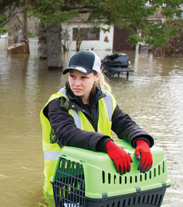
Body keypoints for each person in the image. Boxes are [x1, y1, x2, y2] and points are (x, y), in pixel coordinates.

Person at [40, 50, 154, 195]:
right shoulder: (58, 102)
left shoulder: (106, 99)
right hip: (62, 185)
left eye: (83, 77)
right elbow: (66, 133)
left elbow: (124, 124)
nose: (76, 83)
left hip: (96, 181)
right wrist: (107, 145)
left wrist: (141, 140)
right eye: (72, 77)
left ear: (96, 77)